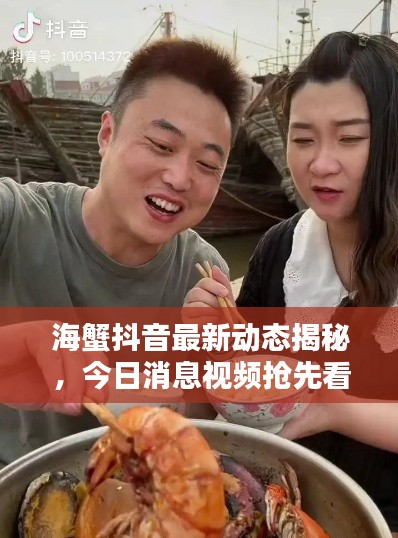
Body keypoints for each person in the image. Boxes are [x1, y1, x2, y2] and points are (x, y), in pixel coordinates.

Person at [184, 31, 398, 529]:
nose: (320, 163)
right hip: (283, 515)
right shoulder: (281, 250)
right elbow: (228, 412)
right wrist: (206, 349)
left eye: (350, 138)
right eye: (303, 139)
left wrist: (333, 407)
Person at [0, 37, 250, 466]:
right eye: (161, 145)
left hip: (136, 485)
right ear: (107, 134)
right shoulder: (16, 218)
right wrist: (18, 342)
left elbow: (195, 434)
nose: (179, 178)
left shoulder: (205, 274)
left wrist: (213, 360)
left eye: (207, 165)